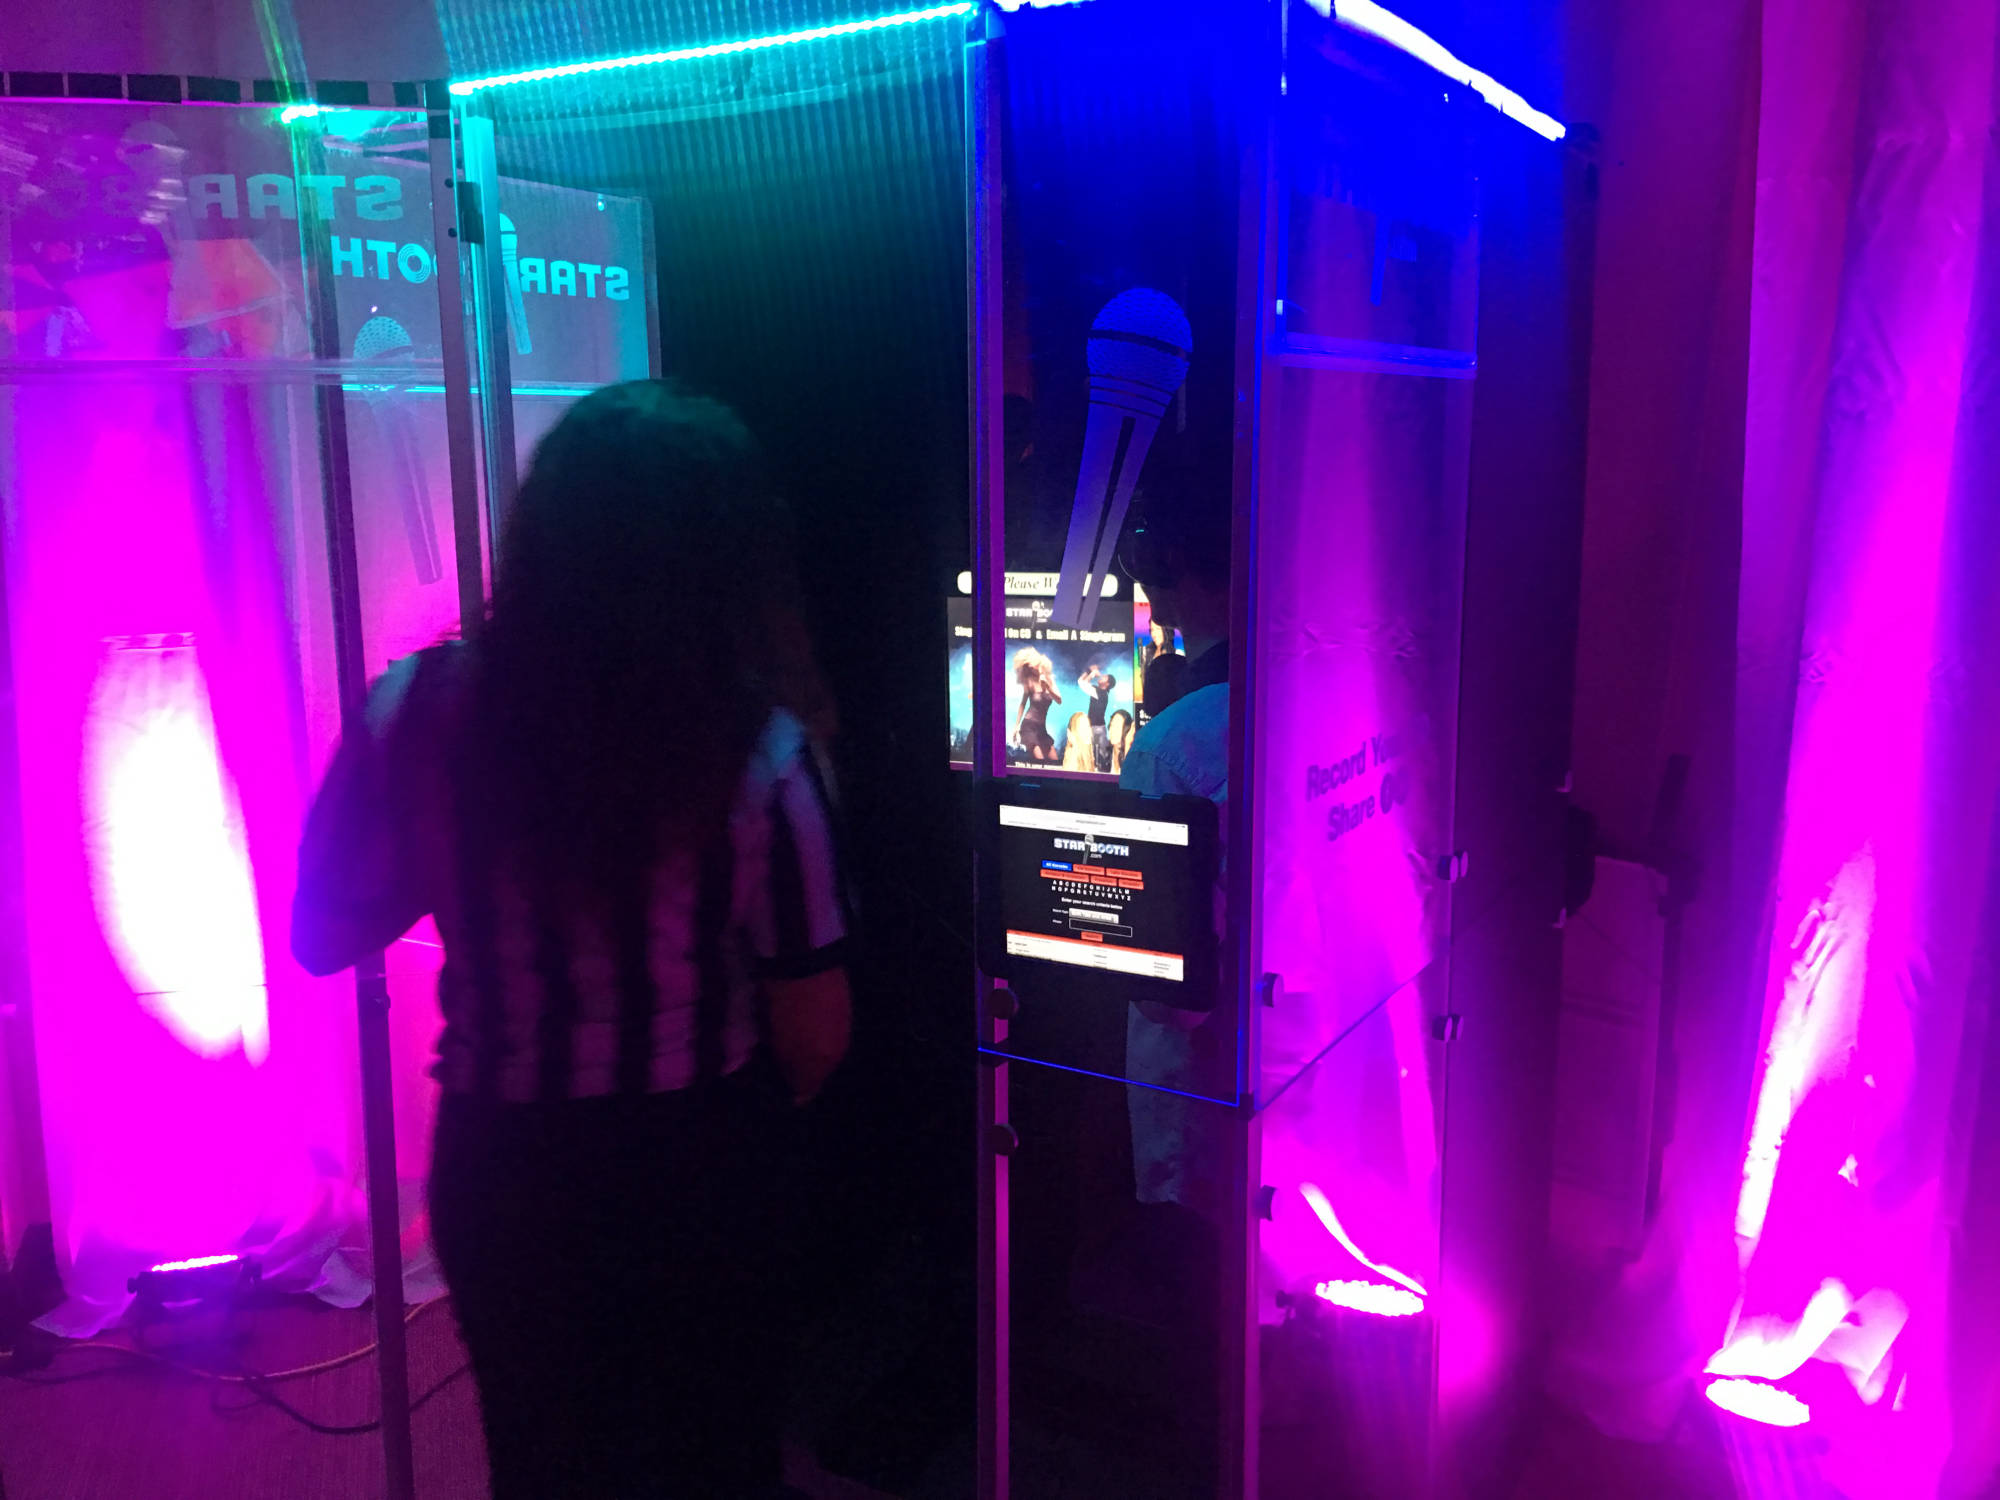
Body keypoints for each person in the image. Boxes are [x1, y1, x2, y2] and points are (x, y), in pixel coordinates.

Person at [291, 381, 851, 1500]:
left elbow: (323, 930)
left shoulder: (416, 708)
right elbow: (815, 1034)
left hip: (507, 1165)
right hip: (698, 1165)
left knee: (541, 1457)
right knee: (718, 1458)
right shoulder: (764, 753)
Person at [1012, 647, 1062, 762]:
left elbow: (1059, 700)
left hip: (1041, 728)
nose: (1033, 669)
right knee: (1040, 760)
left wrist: (1048, 687)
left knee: (1054, 761)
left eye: (1034, 666)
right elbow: (1022, 704)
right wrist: (1016, 726)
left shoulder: (1050, 680)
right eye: (1030, 667)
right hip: (1029, 726)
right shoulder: (1030, 682)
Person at [1077, 663, 1117, 771]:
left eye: (1104, 677)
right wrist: (1089, 671)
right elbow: (1081, 682)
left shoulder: (1100, 692)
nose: (1101, 676)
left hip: (1096, 728)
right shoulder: (1099, 691)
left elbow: (1082, 683)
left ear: (1107, 684)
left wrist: (1091, 672)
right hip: (1098, 727)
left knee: (1098, 755)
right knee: (1098, 754)